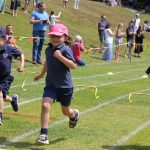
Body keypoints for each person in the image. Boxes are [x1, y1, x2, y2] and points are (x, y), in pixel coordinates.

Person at [34, 23, 79, 145]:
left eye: (58, 36)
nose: (55, 38)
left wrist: (60, 57)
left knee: (65, 111)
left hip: (65, 86)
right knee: (45, 105)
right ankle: (43, 135)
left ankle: (74, 115)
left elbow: (73, 65)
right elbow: (47, 63)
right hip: (51, 85)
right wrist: (41, 75)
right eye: (53, 35)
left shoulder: (65, 49)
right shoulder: (48, 49)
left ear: (65, 37)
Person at [0, 27, 25, 125]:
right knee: (3, 96)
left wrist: (22, 65)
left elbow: (21, 54)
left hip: (5, 78)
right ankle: (13, 100)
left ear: (4, 39)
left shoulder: (9, 48)